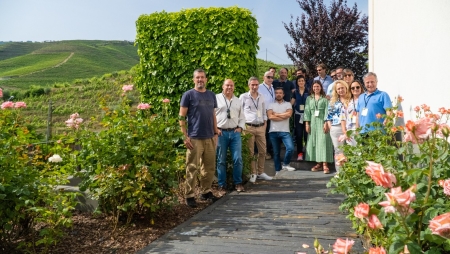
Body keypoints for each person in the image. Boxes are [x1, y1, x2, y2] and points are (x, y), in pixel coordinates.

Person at [179, 68, 220, 208]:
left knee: (209, 167)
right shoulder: (188, 95)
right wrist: (185, 137)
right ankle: (189, 195)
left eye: (202, 77)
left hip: (209, 137)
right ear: (193, 79)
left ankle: (206, 191)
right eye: (197, 77)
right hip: (194, 138)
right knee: (192, 167)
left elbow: (213, 115)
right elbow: (181, 117)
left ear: (206, 79)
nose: (200, 80)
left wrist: (215, 132)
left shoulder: (211, 95)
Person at [239, 77, 273, 183]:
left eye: (256, 85)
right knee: (250, 152)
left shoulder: (261, 97)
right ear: (249, 85)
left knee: (263, 151)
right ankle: (253, 173)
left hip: (260, 127)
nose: (254, 87)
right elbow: (239, 112)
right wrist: (241, 126)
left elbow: (263, 112)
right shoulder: (243, 97)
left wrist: (265, 123)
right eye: (252, 85)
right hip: (248, 127)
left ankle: (260, 172)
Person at [215, 79, 246, 193]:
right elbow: (211, 115)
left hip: (234, 133)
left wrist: (240, 128)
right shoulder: (216, 98)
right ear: (223, 86)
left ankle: (238, 183)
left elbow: (242, 117)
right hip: (221, 133)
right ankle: (221, 185)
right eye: (227, 85)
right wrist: (215, 129)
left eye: (231, 85)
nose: (229, 87)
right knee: (221, 160)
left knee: (238, 159)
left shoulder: (237, 100)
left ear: (234, 87)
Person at [304, 80, 334, 174]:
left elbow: (327, 111)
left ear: (321, 87)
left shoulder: (325, 99)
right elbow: (307, 111)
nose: (316, 88)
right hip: (313, 122)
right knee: (315, 142)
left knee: (323, 142)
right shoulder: (309, 98)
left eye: (318, 86)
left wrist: (325, 123)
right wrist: (307, 124)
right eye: (314, 87)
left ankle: (325, 164)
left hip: (322, 122)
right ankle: (318, 163)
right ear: (312, 88)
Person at [267, 88, 295, 175]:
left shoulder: (288, 104)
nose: (278, 94)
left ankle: (285, 164)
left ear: (283, 94)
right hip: (273, 131)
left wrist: (276, 114)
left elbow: (289, 115)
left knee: (290, 148)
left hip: (285, 131)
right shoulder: (270, 104)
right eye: (276, 93)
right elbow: (270, 117)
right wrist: (283, 115)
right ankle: (278, 171)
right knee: (276, 152)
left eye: (280, 93)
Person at [326, 80, 350, 172]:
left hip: (350, 128)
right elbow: (329, 116)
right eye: (338, 89)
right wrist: (331, 128)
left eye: (342, 88)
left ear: (346, 88)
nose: (340, 90)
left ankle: (350, 172)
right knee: (339, 151)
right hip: (336, 128)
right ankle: (340, 173)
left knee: (351, 150)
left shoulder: (351, 100)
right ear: (336, 91)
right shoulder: (333, 102)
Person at [258, 71, 276, 160]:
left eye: (272, 77)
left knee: (268, 134)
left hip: (270, 115)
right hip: (262, 115)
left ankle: (266, 152)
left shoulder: (272, 88)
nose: (270, 79)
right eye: (268, 77)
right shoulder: (260, 87)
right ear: (263, 77)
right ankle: (261, 153)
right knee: (262, 135)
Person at [290, 75, 309, 161]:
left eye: (302, 80)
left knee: (307, 135)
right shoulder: (295, 92)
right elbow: (291, 103)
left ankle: (308, 153)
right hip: (298, 116)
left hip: (307, 116)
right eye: (299, 81)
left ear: (304, 82)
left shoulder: (309, 91)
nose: (301, 82)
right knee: (299, 135)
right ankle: (299, 153)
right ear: (297, 83)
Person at [341, 80, 363, 146]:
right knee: (352, 153)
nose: (355, 89)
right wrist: (345, 132)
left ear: (361, 88)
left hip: (362, 129)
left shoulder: (365, 101)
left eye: (357, 87)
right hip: (350, 130)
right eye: (353, 88)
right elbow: (343, 118)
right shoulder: (347, 102)